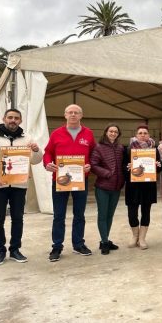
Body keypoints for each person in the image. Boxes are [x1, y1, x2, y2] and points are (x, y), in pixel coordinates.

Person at [0, 108, 43, 266]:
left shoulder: (27, 138)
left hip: (19, 185)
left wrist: (36, 150)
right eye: (10, 117)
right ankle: (0, 251)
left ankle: (15, 250)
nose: (13, 120)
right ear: (4, 118)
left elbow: (36, 161)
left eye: (16, 118)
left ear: (20, 120)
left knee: (18, 218)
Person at [44, 104, 96, 262]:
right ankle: (57, 246)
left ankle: (78, 244)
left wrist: (91, 165)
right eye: (70, 112)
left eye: (76, 112)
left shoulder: (88, 134)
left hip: (81, 180)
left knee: (79, 214)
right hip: (59, 181)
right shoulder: (56, 134)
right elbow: (48, 152)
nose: (73, 115)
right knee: (59, 215)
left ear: (81, 115)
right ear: (65, 115)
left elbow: (94, 154)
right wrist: (47, 163)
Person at [124, 124, 161, 250]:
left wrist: (157, 165)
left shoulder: (154, 150)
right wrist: (127, 167)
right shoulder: (128, 149)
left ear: (149, 135)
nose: (143, 135)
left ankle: (142, 238)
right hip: (133, 186)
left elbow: (159, 168)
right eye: (140, 133)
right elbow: (123, 166)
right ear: (136, 135)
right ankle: (135, 236)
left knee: (146, 212)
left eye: (145, 133)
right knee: (132, 213)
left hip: (148, 186)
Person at [90, 123, 126, 255]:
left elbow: (123, 164)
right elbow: (93, 165)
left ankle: (105, 239)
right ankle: (104, 241)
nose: (113, 133)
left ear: (118, 134)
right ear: (106, 132)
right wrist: (107, 174)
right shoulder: (98, 147)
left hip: (116, 187)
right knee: (103, 215)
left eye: (115, 132)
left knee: (110, 215)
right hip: (103, 187)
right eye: (111, 131)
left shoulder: (121, 148)